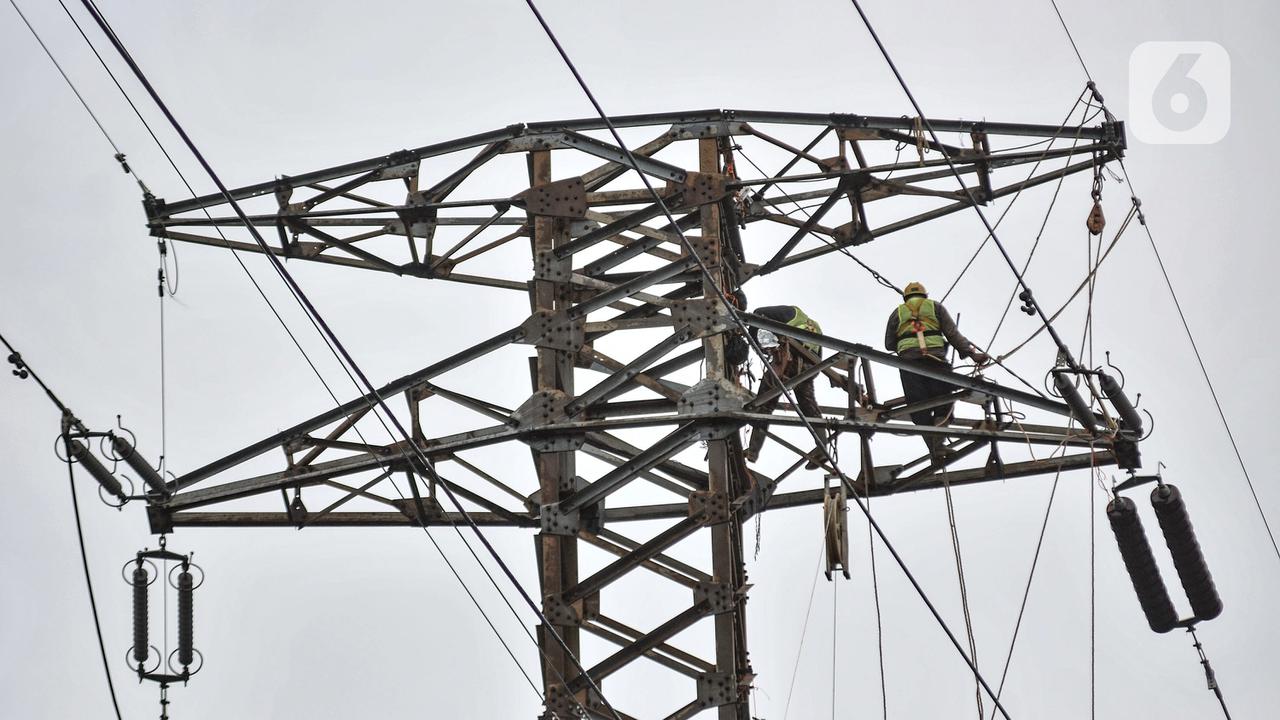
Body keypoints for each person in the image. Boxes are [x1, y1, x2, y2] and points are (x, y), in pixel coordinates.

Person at [884, 282, 990, 460]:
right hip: (936, 361)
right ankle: (938, 445)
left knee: (918, 408)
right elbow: (952, 334)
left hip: (909, 364)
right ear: (925, 295)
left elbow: (888, 344)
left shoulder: (898, 313)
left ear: (905, 297)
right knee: (944, 404)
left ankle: (935, 447)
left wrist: (907, 343)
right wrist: (972, 355)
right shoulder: (935, 307)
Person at [745, 305, 825, 466]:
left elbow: (758, 314)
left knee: (764, 403)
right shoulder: (814, 325)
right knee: (808, 406)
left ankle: (753, 451)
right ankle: (822, 448)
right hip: (809, 367)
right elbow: (819, 357)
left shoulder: (789, 312)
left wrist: (756, 345)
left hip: (789, 358)